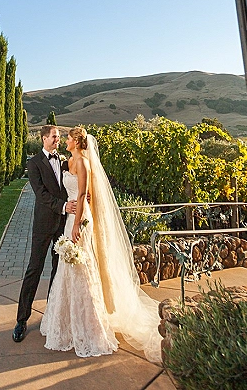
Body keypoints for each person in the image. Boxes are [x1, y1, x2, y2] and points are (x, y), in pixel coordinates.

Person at [40, 127, 162, 363]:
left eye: (67, 138)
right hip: (70, 216)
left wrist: (76, 226)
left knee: (82, 267)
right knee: (68, 269)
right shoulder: (69, 161)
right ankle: (66, 321)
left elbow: (85, 193)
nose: (64, 140)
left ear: (76, 141)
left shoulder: (84, 163)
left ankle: (90, 324)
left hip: (79, 219)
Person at [12, 124, 77, 343]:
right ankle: (21, 320)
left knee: (58, 271)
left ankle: (51, 315)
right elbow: (41, 194)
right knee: (34, 269)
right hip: (43, 223)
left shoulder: (63, 161)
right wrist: (63, 206)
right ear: (43, 139)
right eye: (54, 137)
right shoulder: (34, 163)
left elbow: (71, 185)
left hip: (62, 224)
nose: (57, 140)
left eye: (59, 137)